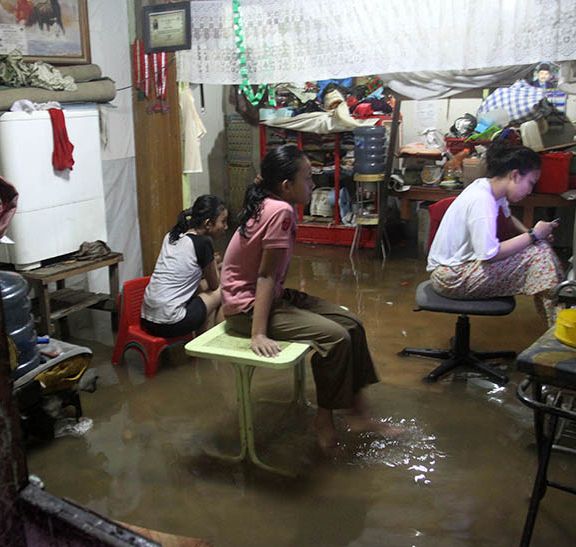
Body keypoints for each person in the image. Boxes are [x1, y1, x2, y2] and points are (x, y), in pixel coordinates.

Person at [221, 144, 393, 450]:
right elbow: (264, 275)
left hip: (270, 297)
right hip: (246, 310)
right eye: (308, 178)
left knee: (352, 324)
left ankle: (358, 415)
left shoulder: (271, 203)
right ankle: (324, 419)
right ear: (286, 186)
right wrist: (257, 333)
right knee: (336, 338)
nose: (313, 185)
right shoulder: (281, 211)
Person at [427, 140, 564, 326]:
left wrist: (532, 233)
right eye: (530, 183)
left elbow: (508, 219)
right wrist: (534, 236)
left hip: (459, 270)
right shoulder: (482, 201)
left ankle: (559, 315)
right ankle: (559, 324)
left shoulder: (488, 187)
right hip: (450, 278)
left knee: (540, 249)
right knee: (540, 256)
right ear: (515, 175)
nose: (530, 190)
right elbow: (489, 254)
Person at [141, 195, 228, 337]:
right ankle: (212, 344)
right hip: (170, 324)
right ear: (208, 223)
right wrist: (215, 263)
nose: (226, 227)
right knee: (223, 289)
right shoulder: (202, 243)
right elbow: (214, 285)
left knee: (201, 288)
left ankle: (199, 344)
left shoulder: (172, 235)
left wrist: (214, 263)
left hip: (147, 319)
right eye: (223, 222)